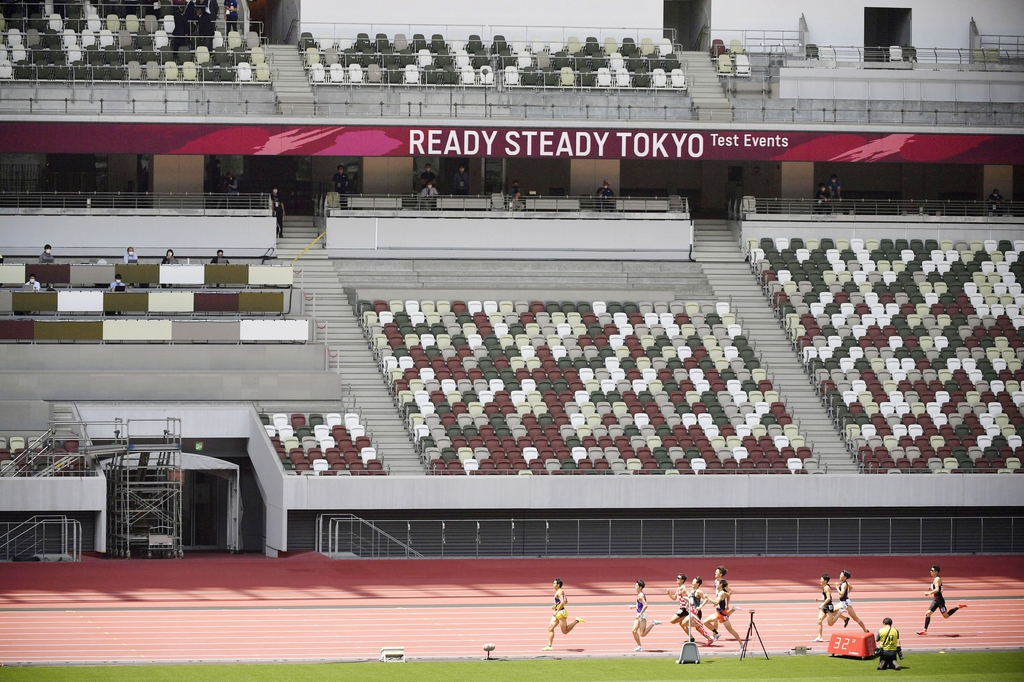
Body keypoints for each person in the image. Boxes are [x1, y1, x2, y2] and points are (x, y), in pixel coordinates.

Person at [918, 565, 966, 635]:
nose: (930, 571)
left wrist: (929, 593)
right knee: (928, 613)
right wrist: (931, 589)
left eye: (932, 570)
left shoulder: (937, 579)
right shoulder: (935, 579)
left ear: (936, 572)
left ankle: (958, 607)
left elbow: (937, 589)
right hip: (935, 600)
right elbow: (939, 589)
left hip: (940, 601)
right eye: (930, 570)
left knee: (946, 616)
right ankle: (925, 630)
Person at [543, 578, 584, 651]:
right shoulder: (559, 591)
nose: (553, 584)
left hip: (560, 613)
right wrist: (555, 605)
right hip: (558, 612)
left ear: (558, 585)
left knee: (565, 631)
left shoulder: (559, 592)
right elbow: (566, 601)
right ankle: (549, 645)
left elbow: (562, 602)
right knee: (550, 628)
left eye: (554, 583)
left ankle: (576, 620)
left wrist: (557, 610)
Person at [704, 579, 743, 646]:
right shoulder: (721, 592)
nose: (716, 585)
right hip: (718, 612)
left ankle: (741, 644)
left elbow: (716, 601)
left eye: (717, 584)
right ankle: (717, 633)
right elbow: (727, 595)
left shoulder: (721, 593)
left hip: (721, 613)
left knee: (730, 630)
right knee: (706, 622)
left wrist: (708, 598)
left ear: (721, 585)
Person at [631, 579, 661, 651]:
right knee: (634, 631)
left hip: (642, 615)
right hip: (639, 614)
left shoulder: (640, 595)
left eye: (636, 585)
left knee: (642, 634)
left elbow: (645, 605)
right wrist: (634, 606)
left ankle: (653, 623)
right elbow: (640, 605)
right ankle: (639, 646)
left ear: (640, 587)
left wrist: (640, 614)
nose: (635, 587)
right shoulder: (639, 595)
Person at [813, 573, 840, 642]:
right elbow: (826, 598)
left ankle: (839, 613)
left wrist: (822, 605)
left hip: (828, 607)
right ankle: (819, 637)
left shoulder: (827, 588)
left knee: (830, 624)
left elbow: (828, 599)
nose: (820, 580)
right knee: (819, 620)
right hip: (824, 606)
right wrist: (818, 600)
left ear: (825, 580)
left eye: (821, 579)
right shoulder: (824, 587)